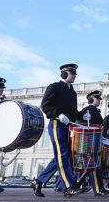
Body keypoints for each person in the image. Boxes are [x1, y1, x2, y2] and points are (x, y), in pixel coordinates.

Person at [31, 64, 87, 198]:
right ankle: (69, 187)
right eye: (72, 73)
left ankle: (38, 181)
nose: (74, 76)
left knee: (62, 156)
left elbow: (72, 112)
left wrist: (80, 116)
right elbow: (46, 105)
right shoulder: (54, 87)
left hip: (68, 127)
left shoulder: (72, 91)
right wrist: (58, 115)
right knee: (62, 155)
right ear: (64, 74)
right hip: (57, 125)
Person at [78, 90, 109, 196]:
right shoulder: (87, 110)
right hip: (88, 143)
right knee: (92, 166)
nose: (100, 101)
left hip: (95, 142)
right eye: (98, 99)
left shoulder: (96, 111)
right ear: (92, 99)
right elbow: (81, 125)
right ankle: (97, 189)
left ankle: (96, 189)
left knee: (94, 166)